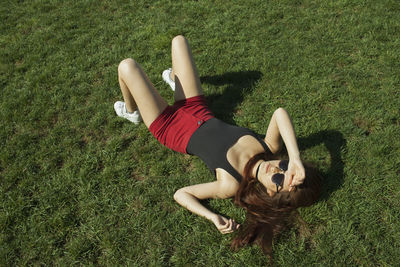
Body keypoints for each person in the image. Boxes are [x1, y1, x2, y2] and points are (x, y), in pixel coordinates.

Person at [114, 35, 321, 256]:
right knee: (179, 41)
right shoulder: (268, 146)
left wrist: (212, 217)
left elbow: (181, 193)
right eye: (285, 166)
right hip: (196, 108)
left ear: (271, 193)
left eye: (279, 179)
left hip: (169, 126)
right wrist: (296, 159)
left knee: (127, 66)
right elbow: (280, 113)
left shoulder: (230, 183)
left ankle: (131, 111)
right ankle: (176, 80)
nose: (276, 169)